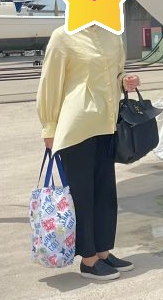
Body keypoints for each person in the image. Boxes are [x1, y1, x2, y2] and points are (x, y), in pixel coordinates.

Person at [37, 25, 141, 280]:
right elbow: (50, 83)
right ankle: (88, 258)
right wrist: (49, 126)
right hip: (77, 127)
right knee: (82, 194)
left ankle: (103, 251)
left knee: (105, 192)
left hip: (107, 124)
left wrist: (125, 81)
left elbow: (114, 74)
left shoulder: (112, 35)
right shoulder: (63, 36)